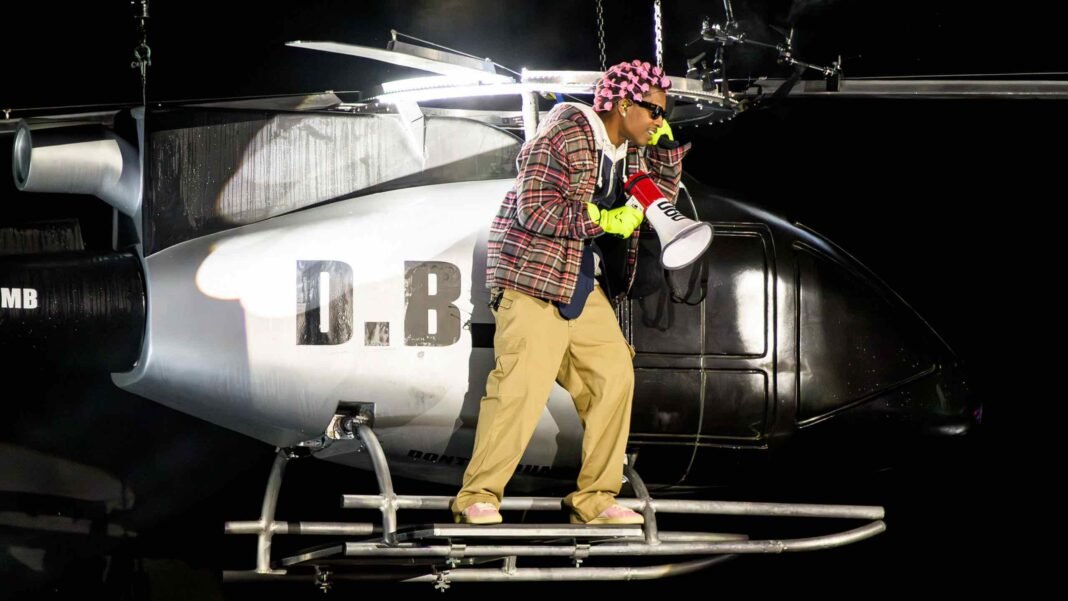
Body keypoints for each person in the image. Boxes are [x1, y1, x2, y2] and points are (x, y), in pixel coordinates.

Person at [452, 60, 690, 525]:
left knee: (614, 374)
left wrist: (664, 152)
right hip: (532, 277)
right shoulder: (563, 132)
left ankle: (596, 499)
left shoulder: (631, 151)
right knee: (521, 385)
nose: (660, 122)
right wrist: (600, 220)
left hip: (581, 277)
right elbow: (534, 209)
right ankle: (477, 497)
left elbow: (660, 203)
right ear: (624, 105)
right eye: (655, 113)